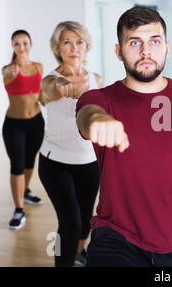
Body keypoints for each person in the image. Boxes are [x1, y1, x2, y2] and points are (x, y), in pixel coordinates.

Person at [76, 7, 172, 267]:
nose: (145, 51)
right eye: (135, 42)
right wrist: (97, 120)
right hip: (116, 236)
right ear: (118, 51)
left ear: (166, 48)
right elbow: (87, 115)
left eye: (154, 41)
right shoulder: (100, 100)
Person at [39, 21, 101, 267]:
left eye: (79, 42)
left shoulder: (96, 78)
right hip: (55, 163)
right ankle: (62, 263)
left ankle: (80, 253)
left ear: (86, 46)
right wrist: (64, 87)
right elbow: (49, 90)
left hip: (88, 162)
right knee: (70, 222)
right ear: (57, 47)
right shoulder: (50, 80)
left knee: (85, 221)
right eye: (66, 42)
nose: (73, 47)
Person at [2, 30, 44, 230]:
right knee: (17, 165)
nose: (21, 47)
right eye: (17, 44)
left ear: (30, 44)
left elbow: (41, 96)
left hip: (36, 123)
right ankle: (19, 210)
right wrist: (11, 74)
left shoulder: (38, 67)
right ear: (13, 46)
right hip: (14, 125)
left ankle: (25, 191)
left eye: (25, 43)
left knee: (29, 163)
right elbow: (7, 77)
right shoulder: (8, 70)